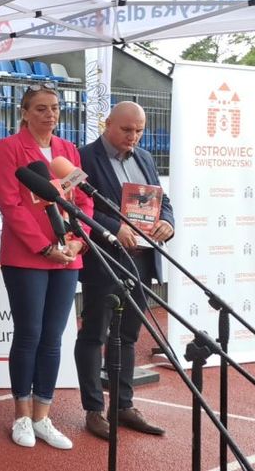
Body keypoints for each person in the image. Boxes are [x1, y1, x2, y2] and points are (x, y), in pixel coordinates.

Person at [0, 83, 93, 451]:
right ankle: (21, 414)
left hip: (68, 255)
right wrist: (45, 246)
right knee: (30, 332)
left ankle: (43, 416)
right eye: (40, 108)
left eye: (54, 108)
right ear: (25, 112)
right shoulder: (9, 148)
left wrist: (77, 240)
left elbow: (82, 200)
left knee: (53, 336)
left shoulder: (68, 151)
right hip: (27, 257)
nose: (49, 114)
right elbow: (10, 205)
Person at [74, 101, 174, 439]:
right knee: (95, 333)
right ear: (108, 124)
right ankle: (93, 410)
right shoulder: (84, 157)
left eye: (139, 130)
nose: (133, 136)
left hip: (142, 259)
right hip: (104, 259)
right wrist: (112, 227)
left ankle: (124, 404)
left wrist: (167, 224)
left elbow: (164, 203)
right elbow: (76, 208)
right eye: (127, 129)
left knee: (128, 335)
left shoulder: (144, 158)